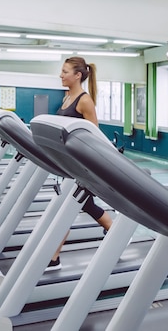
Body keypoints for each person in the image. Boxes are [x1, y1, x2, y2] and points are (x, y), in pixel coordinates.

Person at [46, 56, 114, 271]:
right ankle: (113, 230)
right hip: (66, 163)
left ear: (77, 75)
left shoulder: (84, 100)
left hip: (80, 165)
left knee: (67, 206)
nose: (61, 75)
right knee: (84, 205)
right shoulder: (67, 98)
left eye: (65, 71)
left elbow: (93, 135)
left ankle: (54, 256)